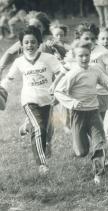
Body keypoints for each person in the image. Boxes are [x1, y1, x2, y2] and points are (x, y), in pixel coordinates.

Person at [0, 26, 66, 175]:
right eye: (26, 42)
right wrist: (1, 88)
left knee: (47, 131)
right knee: (39, 129)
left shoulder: (48, 58)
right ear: (21, 45)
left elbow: (62, 73)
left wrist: (58, 90)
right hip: (29, 100)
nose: (30, 45)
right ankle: (42, 164)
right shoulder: (19, 62)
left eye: (33, 42)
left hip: (48, 100)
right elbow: (9, 79)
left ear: (39, 43)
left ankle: (26, 128)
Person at [54, 40, 108, 184]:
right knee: (81, 152)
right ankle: (82, 147)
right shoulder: (73, 73)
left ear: (90, 54)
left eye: (87, 55)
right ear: (75, 57)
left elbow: (102, 78)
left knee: (99, 142)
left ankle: (98, 174)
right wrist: (72, 102)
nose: (84, 59)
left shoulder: (94, 68)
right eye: (80, 56)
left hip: (93, 112)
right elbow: (59, 91)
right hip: (78, 114)